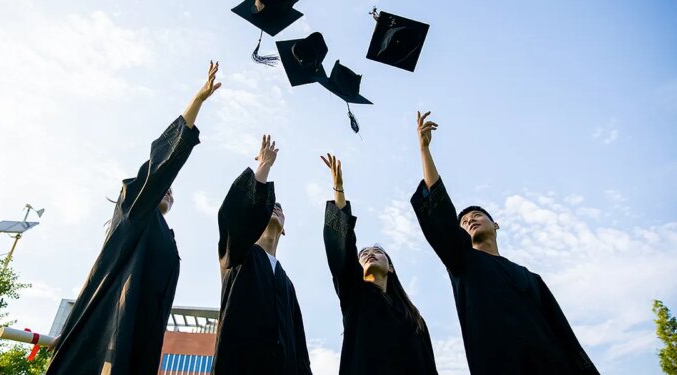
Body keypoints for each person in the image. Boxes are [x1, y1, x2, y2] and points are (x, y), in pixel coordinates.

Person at [46, 62, 221, 375]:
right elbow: (160, 165)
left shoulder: (166, 236)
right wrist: (197, 102)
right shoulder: (134, 210)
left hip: (139, 341)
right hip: (107, 334)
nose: (168, 191)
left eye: (171, 190)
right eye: (162, 188)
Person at [410, 110, 599, 374]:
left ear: (495, 224)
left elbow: (563, 333)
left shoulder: (530, 278)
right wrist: (424, 151)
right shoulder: (463, 263)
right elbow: (440, 213)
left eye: (477, 216)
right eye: (464, 221)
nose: (470, 220)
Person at [320, 153, 439, 375]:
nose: (369, 254)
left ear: (391, 267)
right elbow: (342, 254)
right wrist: (338, 190)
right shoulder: (355, 295)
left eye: (377, 252)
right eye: (363, 253)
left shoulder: (414, 318)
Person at [212, 135, 311, 375]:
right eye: (271, 205)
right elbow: (235, 218)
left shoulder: (286, 282)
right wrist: (264, 167)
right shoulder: (239, 254)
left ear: (284, 228)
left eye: (280, 208)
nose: (276, 207)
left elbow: (300, 349)